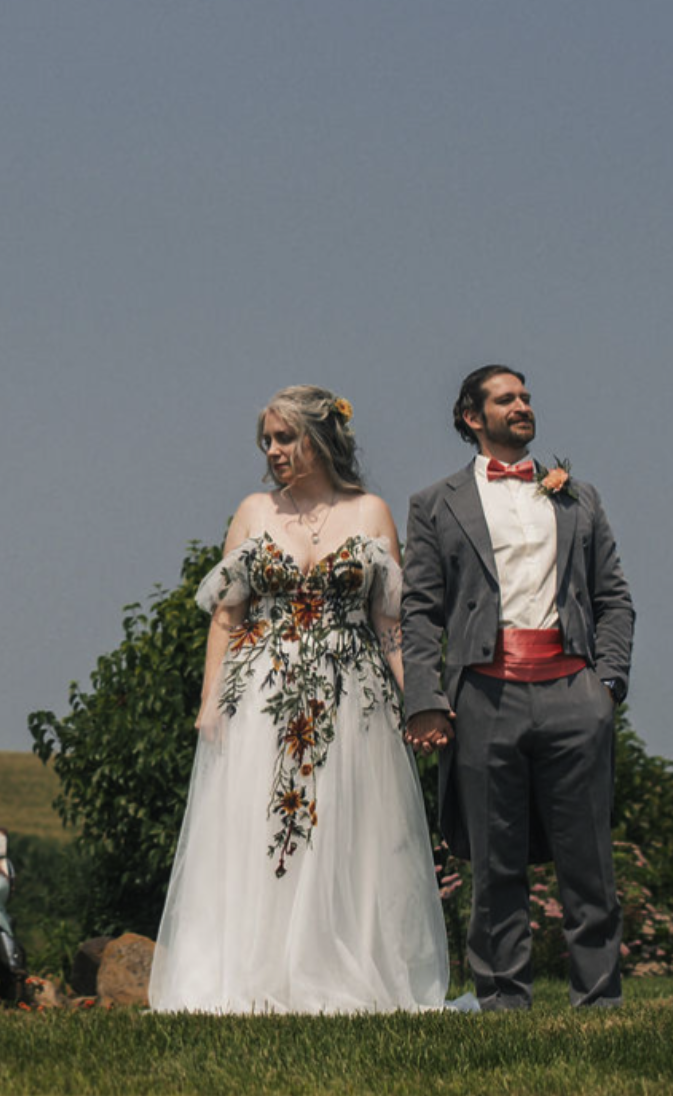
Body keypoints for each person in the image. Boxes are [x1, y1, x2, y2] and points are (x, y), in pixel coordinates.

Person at [149, 386, 456, 1014]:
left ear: (321, 439)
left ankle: (336, 966)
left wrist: (424, 696)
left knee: (347, 831)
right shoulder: (254, 510)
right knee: (262, 826)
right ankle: (257, 971)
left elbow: (390, 623)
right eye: (267, 439)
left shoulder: (371, 512)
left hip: (352, 698)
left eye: (285, 438)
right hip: (261, 694)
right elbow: (226, 615)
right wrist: (210, 701)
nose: (273, 450)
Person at [400, 365, 635, 1010]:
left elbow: (614, 597)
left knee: (587, 863)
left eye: (527, 397)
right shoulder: (433, 504)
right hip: (483, 698)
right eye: (507, 399)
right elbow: (419, 610)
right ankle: (504, 1000)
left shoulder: (577, 497)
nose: (523, 406)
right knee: (494, 861)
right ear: (473, 417)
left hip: (573, 693)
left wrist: (606, 684)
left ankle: (600, 1001)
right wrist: (424, 698)